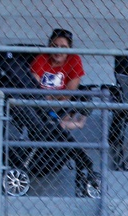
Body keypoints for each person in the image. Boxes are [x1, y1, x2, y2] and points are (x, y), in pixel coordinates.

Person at [27, 27, 100, 197]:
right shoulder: (40, 60)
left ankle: (68, 123)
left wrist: (53, 97)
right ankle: (66, 125)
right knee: (54, 121)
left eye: (63, 47)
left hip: (62, 105)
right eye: (55, 46)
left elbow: (70, 92)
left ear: (69, 50)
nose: (58, 51)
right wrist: (53, 97)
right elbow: (35, 89)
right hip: (41, 106)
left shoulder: (74, 60)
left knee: (81, 100)